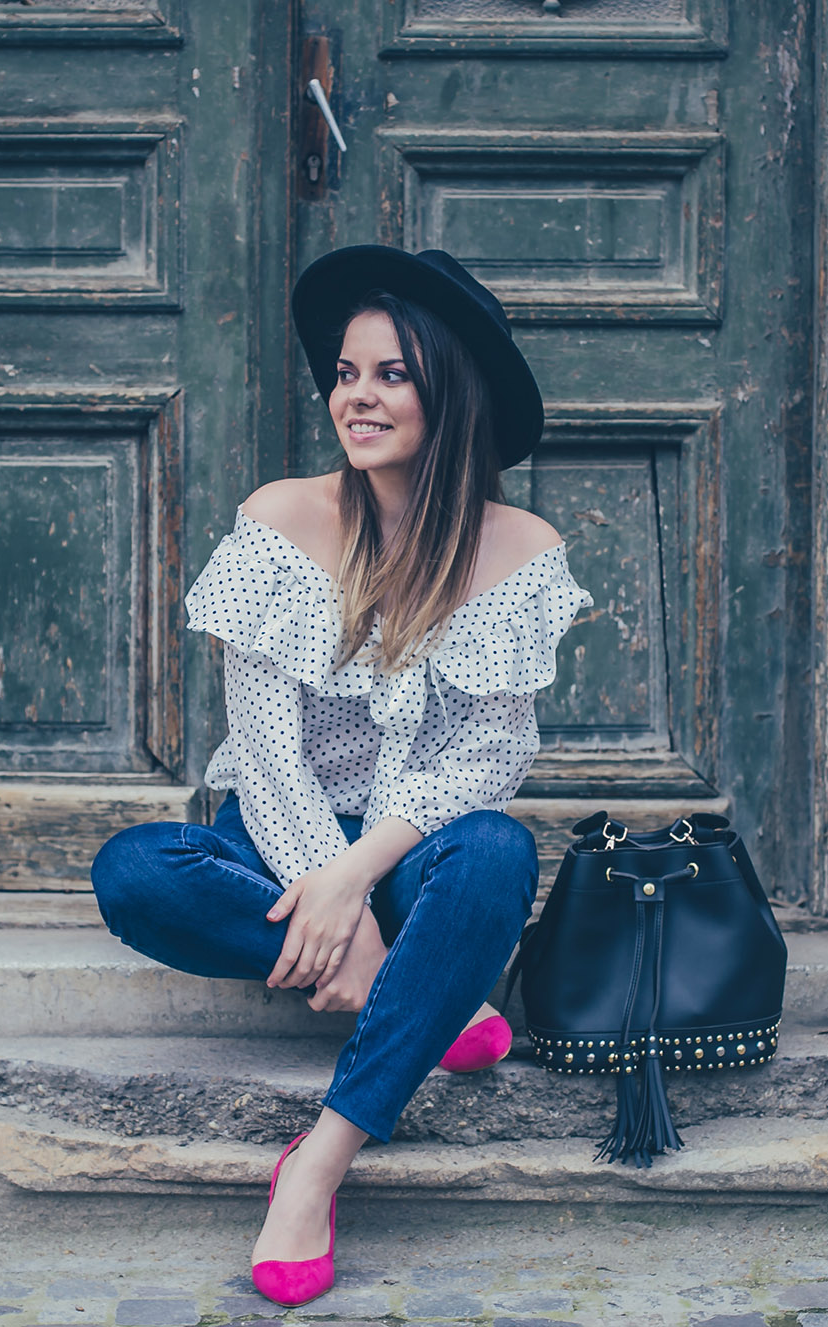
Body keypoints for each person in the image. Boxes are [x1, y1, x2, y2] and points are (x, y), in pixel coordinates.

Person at [89, 246, 593, 1307]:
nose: (355, 396)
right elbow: (266, 750)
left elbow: (489, 757)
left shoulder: (520, 547)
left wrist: (360, 876)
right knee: (135, 870)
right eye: (346, 371)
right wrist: (334, 896)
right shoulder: (281, 519)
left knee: (498, 850)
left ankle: (316, 1160)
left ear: (447, 390)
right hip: (274, 831)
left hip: (412, 849)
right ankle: (431, 991)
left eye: (390, 374)